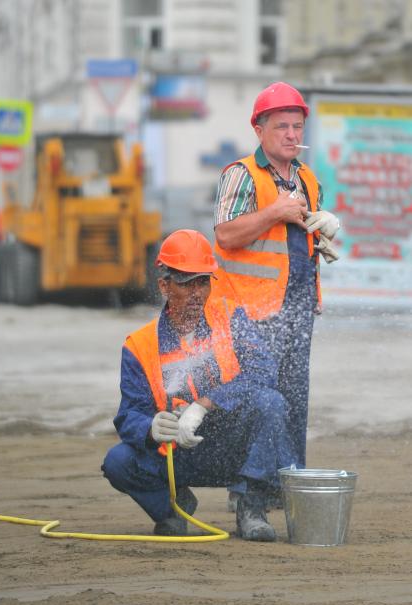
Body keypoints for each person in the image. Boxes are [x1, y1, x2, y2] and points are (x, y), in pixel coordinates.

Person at [102, 229, 297, 542]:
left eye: (203, 282)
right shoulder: (140, 346)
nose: (196, 293)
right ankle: (171, 509)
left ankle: (251, 506)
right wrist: (151, 427)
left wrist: (206, 403)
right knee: (118, 462)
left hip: (230, 447)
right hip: (176, 455)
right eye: (185, 283)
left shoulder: (231, 318)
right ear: (164, 285)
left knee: (271, 403)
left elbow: (263, 373)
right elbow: (127, 416)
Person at [211, 82, 340, 512]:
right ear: (259, 129)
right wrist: (274, 212)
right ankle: (248, 489)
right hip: (250, 312)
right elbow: (226, 235)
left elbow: (294, 245)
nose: (290, 133)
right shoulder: (241, 174)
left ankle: (286, 482)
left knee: (294, 396)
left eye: (297, 126)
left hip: (298, 308)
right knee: (261, 398)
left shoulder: (307, 179)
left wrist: (323, 233)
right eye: (281, 125)